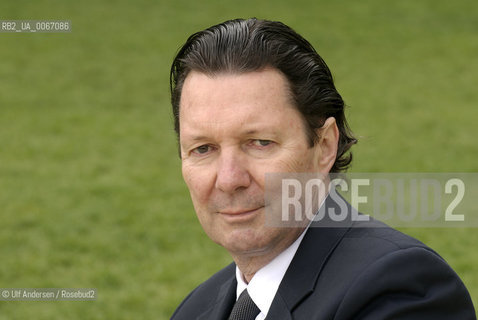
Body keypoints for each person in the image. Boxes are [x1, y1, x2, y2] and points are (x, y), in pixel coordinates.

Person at [169, 18, 475, 320]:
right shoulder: (196, 309)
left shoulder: (399, 290)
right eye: (203, 149)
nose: (229, 179)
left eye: (260, 142)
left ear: (325, 146)